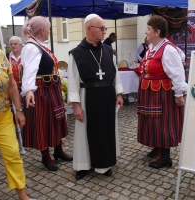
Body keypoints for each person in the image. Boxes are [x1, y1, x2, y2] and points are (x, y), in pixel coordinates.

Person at [68, 13, 124, 180]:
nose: (104, 32)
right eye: (101, 28)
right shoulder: (76, 53)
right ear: (89, 28)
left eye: (105, 28)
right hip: (87, 97)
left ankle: (104, 165)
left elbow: (116, 74)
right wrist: (76, 105)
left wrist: (119, 93)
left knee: (106, 131)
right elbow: (72, 81)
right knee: (85, 132)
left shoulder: (108, 51)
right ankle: (83, 165)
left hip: (107, 96)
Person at [21, 16, 72, 171]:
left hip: (52, 89)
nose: (50, 32)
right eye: (49, 29)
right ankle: (45, 156)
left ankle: (58, 150)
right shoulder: (31, 47)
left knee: (56, 119)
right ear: (43, 30)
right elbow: (29, 71)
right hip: (42, 91)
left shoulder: (41, 45)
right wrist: (29, 90)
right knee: (43, 123)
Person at [137, 15, 188, 169]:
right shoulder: (152, 47)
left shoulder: (168, 49)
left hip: (162, 93)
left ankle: (165, 157)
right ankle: (157, 146)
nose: (146, 32)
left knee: (162, 122)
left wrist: (179, 94)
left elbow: (177, 73)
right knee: (152, 120)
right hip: (150, 93)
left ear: (157, 32)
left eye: (149, 29)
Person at [0, 44, 31, 200]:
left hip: (2, 117)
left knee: (13, 154)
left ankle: (22, 194)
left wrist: (19, 111)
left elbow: (11, 84)